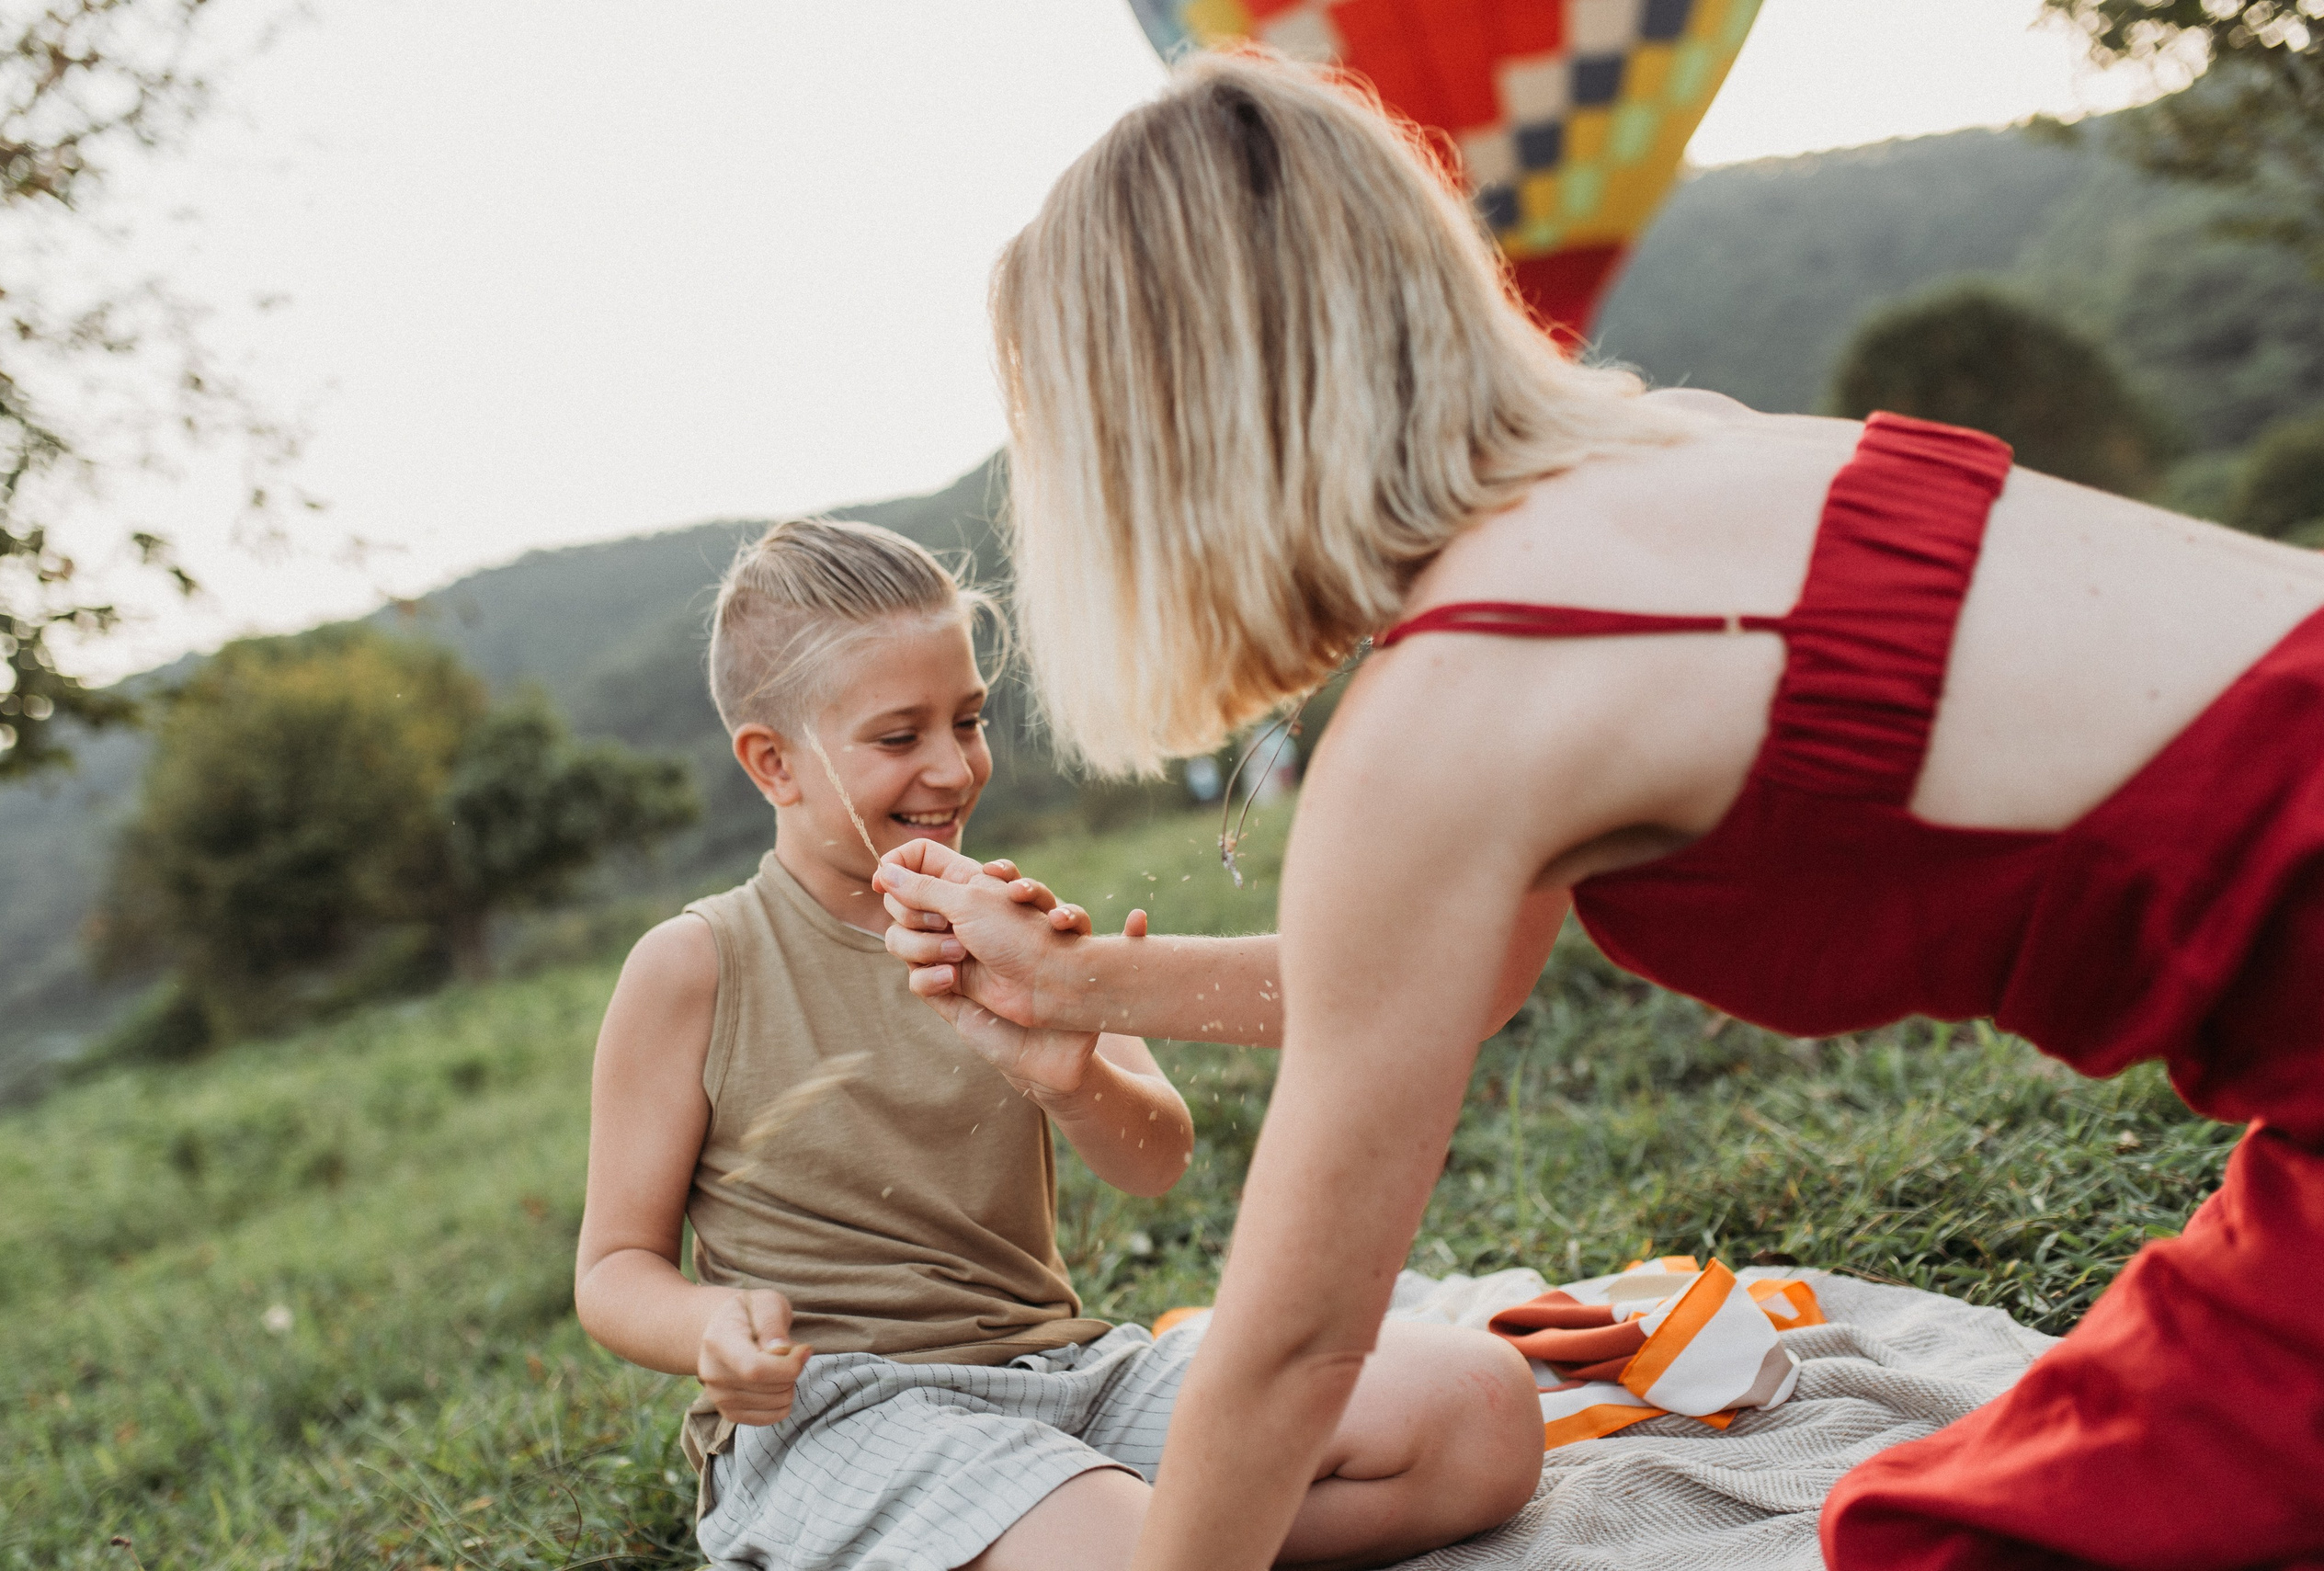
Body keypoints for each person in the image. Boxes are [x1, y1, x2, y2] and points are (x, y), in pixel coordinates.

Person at [867, 47, 2324, 1571]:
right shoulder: (1670, 452)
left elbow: (1297, 1342)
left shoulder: (1461, 706)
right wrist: (1084, 985)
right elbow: (1442, 977)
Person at [570, 516, 1543, 1571]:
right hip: (843, 1414)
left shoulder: (1013, 922)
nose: (951, 765)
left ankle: (1120, 1539)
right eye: (899, 737)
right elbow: (614, 1266)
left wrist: (1072, 1076)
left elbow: (1155, 1158)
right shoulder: (694, 966)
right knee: (1137, 1547)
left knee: (1482, 1411)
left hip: (1068, 1376)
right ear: (774, 765)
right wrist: (707, 1326)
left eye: (969, 718)